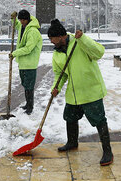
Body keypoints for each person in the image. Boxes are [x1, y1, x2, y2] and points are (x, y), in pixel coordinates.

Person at [48, 19, 113, 166]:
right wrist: (55, 87)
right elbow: (60, 73)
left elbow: (99, 52)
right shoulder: (57, 53)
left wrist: (83, 38)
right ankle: (72, 142)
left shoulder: (79, 43)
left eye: (52, 38)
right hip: (74, 93)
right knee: (69, 117)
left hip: (91, 91)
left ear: (61, 36)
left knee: (99, 120)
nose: (51, 41)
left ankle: (107, 151)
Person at [10, 10, 43, 115]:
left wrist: (15, 53)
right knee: (25, 84)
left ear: (28, 19)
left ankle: (30, 106)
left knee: (29, 86)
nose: (21, 21)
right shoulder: (23, 27)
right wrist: (13, 19)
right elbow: (17, 25)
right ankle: (27, 104)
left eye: (23, 20)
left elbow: (28, 48)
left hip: (30, 63)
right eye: (20, 19)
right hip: (23, 62)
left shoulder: (33, 31)